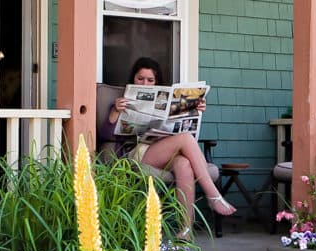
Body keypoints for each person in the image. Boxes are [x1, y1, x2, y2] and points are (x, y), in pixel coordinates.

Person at [100, 57, 236, 238]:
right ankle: (213, 195)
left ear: (157, 82)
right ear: (133, 79)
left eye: (150, 80)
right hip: (139, 152)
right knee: (185, 139)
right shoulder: (121, 102)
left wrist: (195, 110)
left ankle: (185, 230)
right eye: (140, 78)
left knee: (183, 164)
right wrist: (115, 111)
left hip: (166, 151)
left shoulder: (167, 102)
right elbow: (104, 136)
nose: (145, 83)